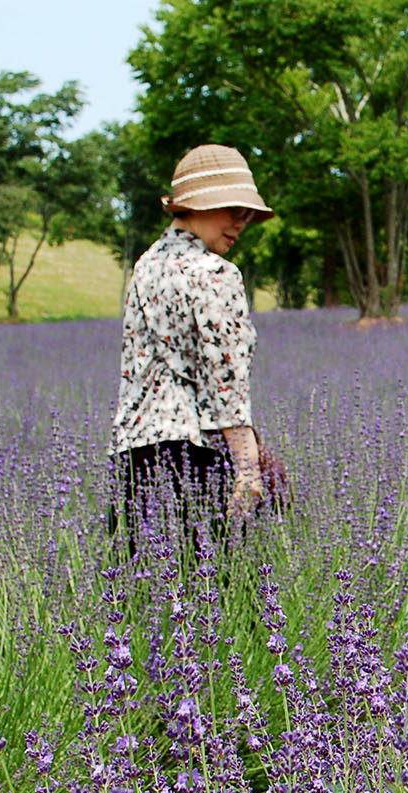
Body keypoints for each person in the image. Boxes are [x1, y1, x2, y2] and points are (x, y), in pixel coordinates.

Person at [109, 143, 273, 551]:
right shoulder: (216, 273)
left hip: (133, 457)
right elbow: (226, 385)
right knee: (219, 604)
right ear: (197, 206)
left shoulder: (146, 266)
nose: (241, 223)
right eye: (233, 210)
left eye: (247, 213)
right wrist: (249, 468)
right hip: (195, 456)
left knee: (139, 601)